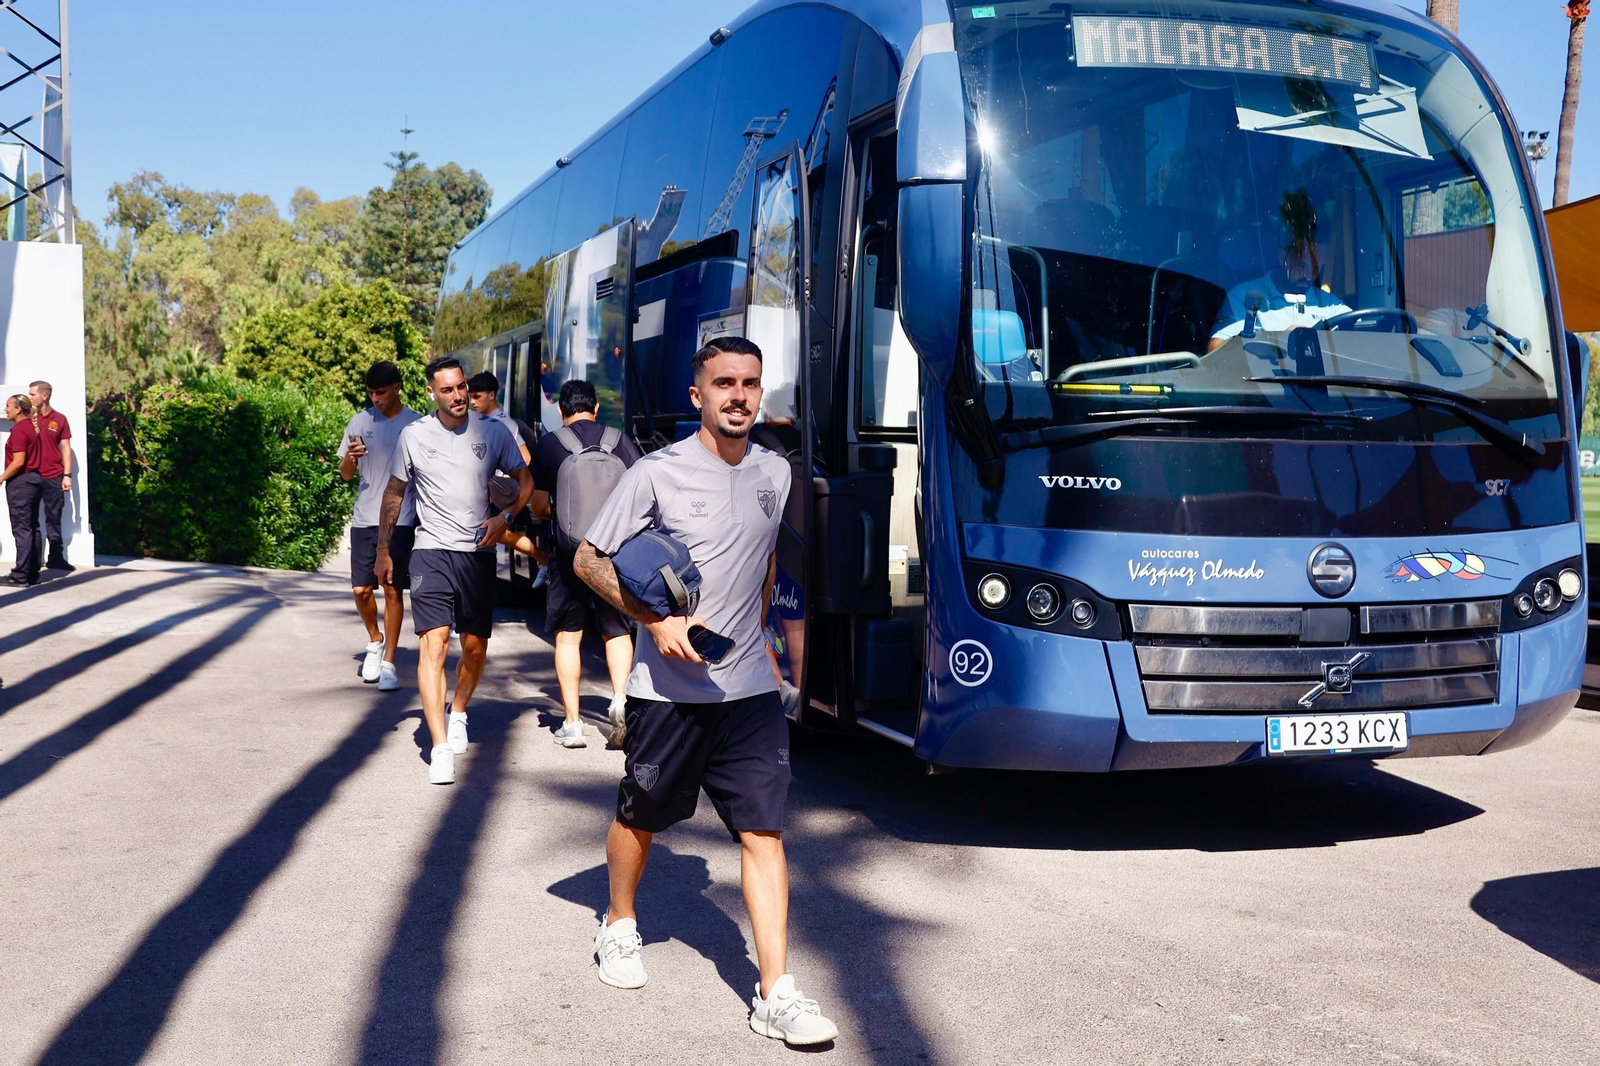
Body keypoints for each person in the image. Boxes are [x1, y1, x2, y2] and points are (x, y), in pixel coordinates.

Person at [573, 337, 838, 1046]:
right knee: (642, 815)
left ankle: (775, 990)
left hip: (748, 690)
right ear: (698, 395)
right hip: (667, 692)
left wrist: (780, 656)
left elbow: (766, 572)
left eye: (750, 383)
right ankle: (620, 924)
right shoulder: (656, 474)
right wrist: (654, 620)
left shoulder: (775, 475)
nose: (738, 395)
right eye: (723, 383)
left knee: (764, 833)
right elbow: (586, 557)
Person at [377, 356, 532, 785]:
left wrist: (507, 518)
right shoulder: (414, 436)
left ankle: (458, 709)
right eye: (447, 389)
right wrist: (385, 551)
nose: (458, 395)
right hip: (431, 551)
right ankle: (440, 745)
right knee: (435, 645)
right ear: (432, 393)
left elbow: (526, 482)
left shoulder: (493, 431)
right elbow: (395, 493)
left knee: (476, 647)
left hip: (477, 552)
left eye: (461, 387)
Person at [532, 378, 642, 749]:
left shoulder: (551, 444)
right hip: (613, 553)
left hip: (567, 555)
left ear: (562, 412)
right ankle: (621, 701)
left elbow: (536, 506)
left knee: (568, 635)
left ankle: (574, 724)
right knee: (617, 630)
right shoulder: (619, 439)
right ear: (596, 408)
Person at [338, 361, 423, 691]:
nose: (376, 398)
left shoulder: (415, 424)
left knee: (392, 588)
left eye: (382, 392)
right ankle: (375, 638)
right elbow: (345, 475)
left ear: (398, 387)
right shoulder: (359, 421)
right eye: (371, 393)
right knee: (361, 590)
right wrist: (351, 458)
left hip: (401, 519)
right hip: (364, 518)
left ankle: (388, 661)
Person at [1208, 188, 1352, 350]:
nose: (1307, 275)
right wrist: (1278, 341)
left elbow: (1364, 337)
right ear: (1281, 256)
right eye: (1301, 265)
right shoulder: (1244, 297)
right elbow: (1215, 348)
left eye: (1316, 268)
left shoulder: (1328, 306)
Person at [466, 370, 548, 583]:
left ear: (492, 395)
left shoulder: (503, 423)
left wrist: (506, 483)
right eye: (471, 397)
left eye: (477, 396)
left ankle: (546, 561)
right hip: (494, 492)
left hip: (502, 494)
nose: (472, 402)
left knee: (495, 533)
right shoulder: (485, 420)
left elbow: (526, 458)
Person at [27, 380, 74, 571]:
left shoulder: (59, 419)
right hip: (31, 475)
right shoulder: (27, 418)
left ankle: (56, 557)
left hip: (53, 475)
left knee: (54, 517)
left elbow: (65, 448)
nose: (29, 397)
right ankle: (32, 560)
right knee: (30, 519)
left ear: (44, 396)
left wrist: (67, 474)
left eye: (32, 394)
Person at [3, 394, 43, 586]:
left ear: (18, 409)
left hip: (21, 483)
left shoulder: (20, 429)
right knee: (32, 528)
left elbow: (18, 462)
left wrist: (1, 478)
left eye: (8, 406)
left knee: (22, 529)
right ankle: (31, 573)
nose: (5, 409)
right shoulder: (30, 428)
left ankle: (20, 576)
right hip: (34, 481)